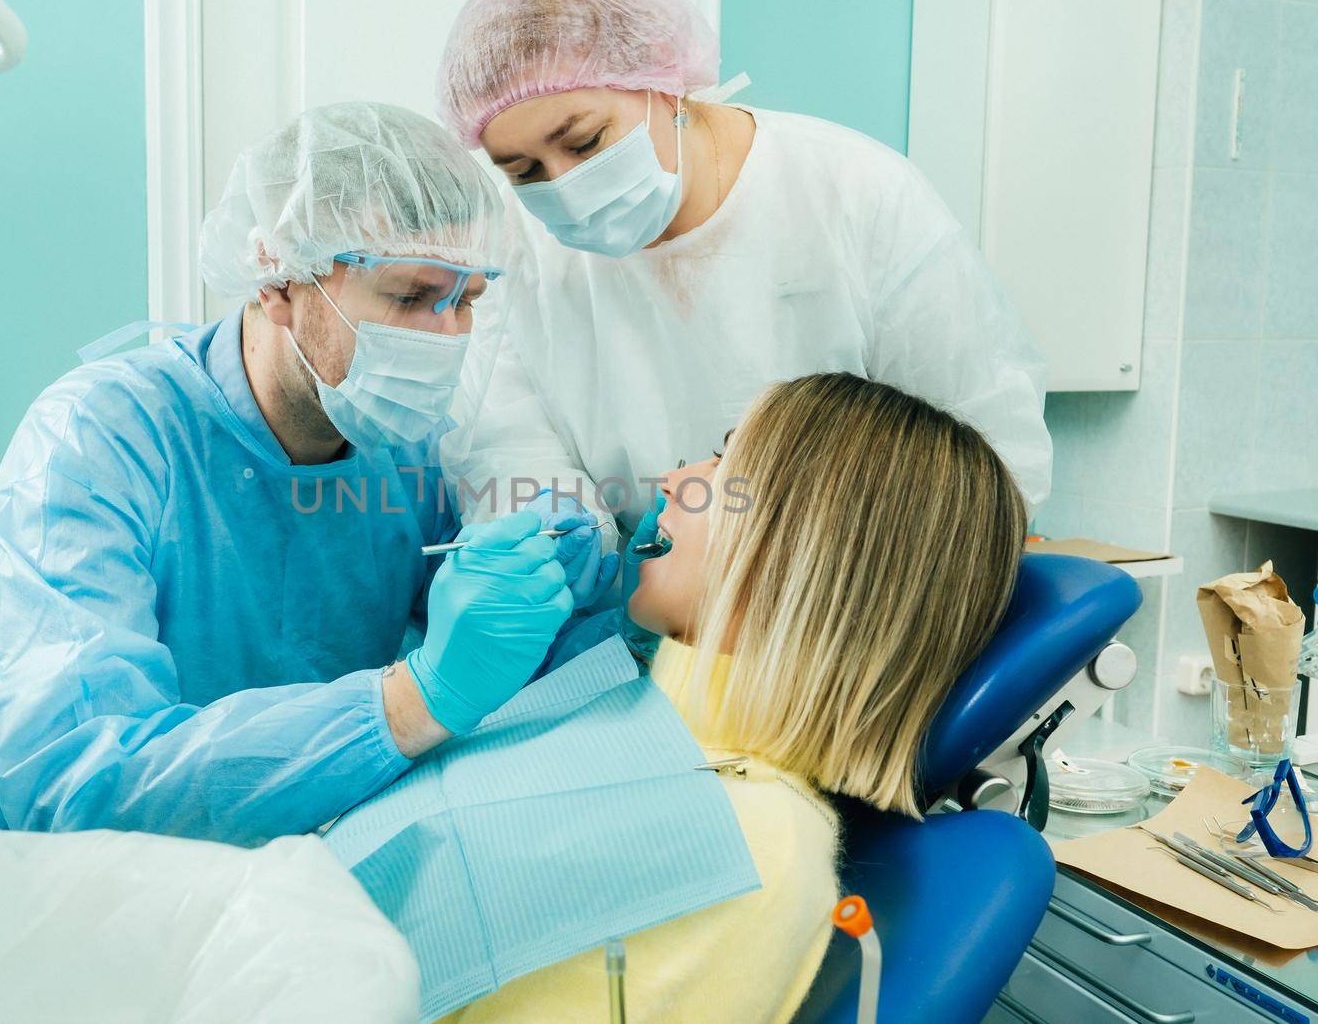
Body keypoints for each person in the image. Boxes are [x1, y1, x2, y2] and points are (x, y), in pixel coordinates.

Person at [0, 102, 603, 846]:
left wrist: (590, 573)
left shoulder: (404, 449)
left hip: (255, 888)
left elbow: (502, 645)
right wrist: (410, 702)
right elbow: (78, 781)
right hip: (14, 892)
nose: (448, 335)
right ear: (279, 282)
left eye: (466, 300)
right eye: (410, 296)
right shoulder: (99, 439)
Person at [440, 373, 1027, 1022]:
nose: (673, 477)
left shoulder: (754, 847)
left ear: (802, 545)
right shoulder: (646, 729)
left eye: (725, 462)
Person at [435, 0, 1052, 551]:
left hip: (833, 607)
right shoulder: (516, 245)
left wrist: (812, 588)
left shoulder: (852, 194)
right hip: (641, 602)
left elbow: (980, 455)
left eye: (585, 141)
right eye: (523, 171)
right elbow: (503, 435)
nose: (564, 186)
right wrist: (558, 536)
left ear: (661, 83)